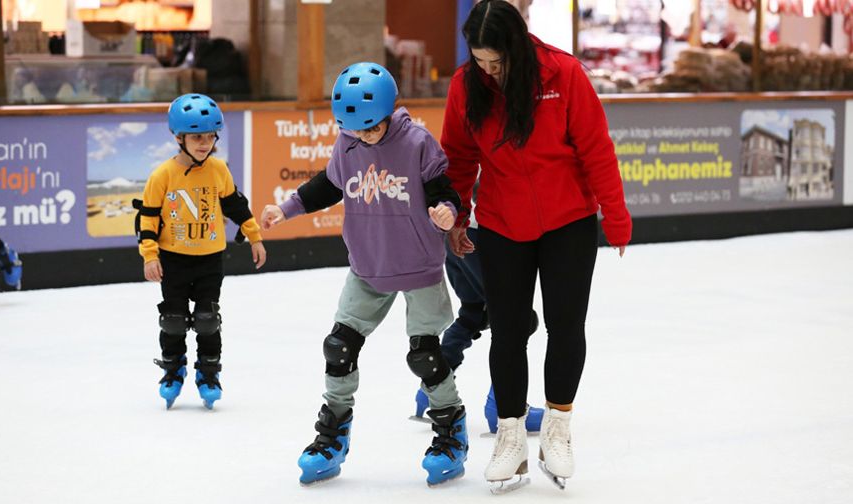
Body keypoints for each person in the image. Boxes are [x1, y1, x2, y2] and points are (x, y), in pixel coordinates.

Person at [441, 0, 632, 492]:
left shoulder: (563, 74)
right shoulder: (466, 87)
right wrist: (458, 215)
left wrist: (615, 214)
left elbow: (596, 147)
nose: (489, 71)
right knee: (506, 332)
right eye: (480, 61)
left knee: (565, 324)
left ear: (518, 46)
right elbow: (459, 159)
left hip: (568, 221)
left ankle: (559, 427)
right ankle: (509, 436)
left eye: (497, 61)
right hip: (503, 223)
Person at [261, 62, 468, 487]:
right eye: (354, 129)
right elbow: (327, 185)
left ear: (390, 111)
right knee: (339, 346)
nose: (364, 136)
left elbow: (443, 189)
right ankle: (332, 435)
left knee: (425, 356)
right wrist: (285, 210)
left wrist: (447, 212)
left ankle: (450, 433)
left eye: (371, 127)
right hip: (368, 267)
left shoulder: (416, 143)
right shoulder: (349, 143)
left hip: (417, 266)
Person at [136, 93, 266, 410]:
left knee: (208, 319)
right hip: (173, 260)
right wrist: (150, 255)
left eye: (210, 136)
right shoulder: (162, 175)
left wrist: (254, 236)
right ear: (179, 137)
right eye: (196, 136)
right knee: (173, 319)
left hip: (210, 259)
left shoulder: (218, 170)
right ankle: (172, 369)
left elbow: (236, 205)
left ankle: (208, 374)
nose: (204, 143)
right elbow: (148, 219)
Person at [411, 181, 545, 435]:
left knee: (474, 312)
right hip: (481, 234)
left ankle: (431, 388)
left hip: (454, 232)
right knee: (517, 319)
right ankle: (504, 405)